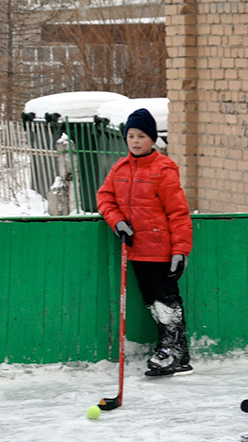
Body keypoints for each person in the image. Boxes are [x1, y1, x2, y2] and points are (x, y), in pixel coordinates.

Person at [97, 108, 194, 377]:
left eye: (141, 136)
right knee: (152, 301)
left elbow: (178, 212)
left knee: (167, 301)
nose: (135, 141)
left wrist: (181, 250)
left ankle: (171, 351)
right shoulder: (120, 168)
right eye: (131, 136)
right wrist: (118, 223)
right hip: (136, 250)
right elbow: (105, 199)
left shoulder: (163, 169)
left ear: (152, 139)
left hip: (161, 250)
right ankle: (177, 352)